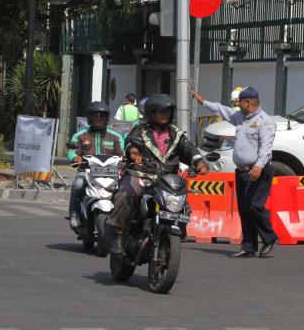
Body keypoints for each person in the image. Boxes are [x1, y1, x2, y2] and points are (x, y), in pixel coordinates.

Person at [107, 94, 209, 256]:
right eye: (160, 111)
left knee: (183, 202)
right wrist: (133, 152)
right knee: (127, 193)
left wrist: (199, 163)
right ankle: (118, 236)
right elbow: (130, 142)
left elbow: (189, 149)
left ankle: (176, 231)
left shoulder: (176, 134)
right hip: (141, 175)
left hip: (167, 180)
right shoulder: (140, 130)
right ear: (151, 113)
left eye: (167, 111)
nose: (164, 114)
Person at [191, 87, 279, 258]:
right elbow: (221, 110)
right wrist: (202, 101)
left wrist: (259, 166)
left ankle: (270, 237)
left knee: (254, 206)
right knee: (245, 209)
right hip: (243, 171)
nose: (237, 105)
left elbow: (266, 147)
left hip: (258, 170)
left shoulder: (265, 121)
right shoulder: (240, 117)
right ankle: (249, 246)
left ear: (247, 103)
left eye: (240, 102)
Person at [67, 101, 125, 229]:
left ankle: (123, 218)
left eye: (102, 115)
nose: (99, 118)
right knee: (78, 184)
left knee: (124, 189)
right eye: (95, 115)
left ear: (107, 118)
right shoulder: (81, 135)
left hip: (111, 173)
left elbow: (123, 153)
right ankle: (74, 213)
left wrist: (125, 159)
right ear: (89, 118)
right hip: (87, 171)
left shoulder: (116, 137)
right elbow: (71, 151)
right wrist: (75, 157)